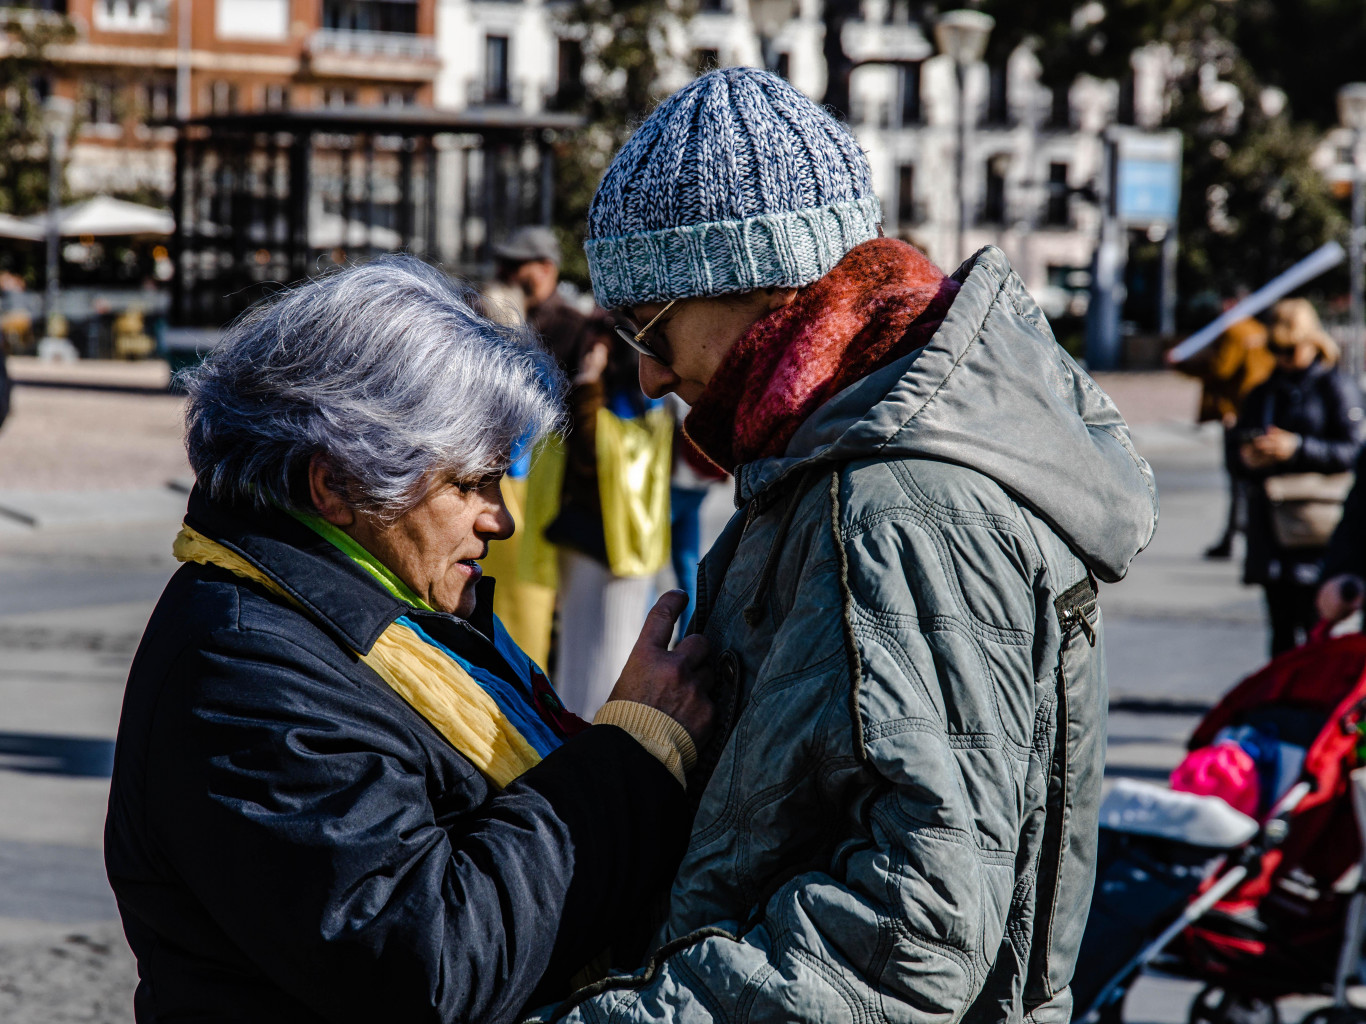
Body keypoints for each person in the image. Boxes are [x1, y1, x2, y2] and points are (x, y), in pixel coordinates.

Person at [536, 67, 1158, 1024]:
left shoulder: (902, 501)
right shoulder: (833, 456)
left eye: (648, 324)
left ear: (768, 287)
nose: (650, 373)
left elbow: (915, 923)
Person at [103, 257, 714, 1024]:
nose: (501, 519)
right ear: (338, 485)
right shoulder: (238, 672)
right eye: (471, 484)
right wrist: (632, 758)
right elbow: (426, 961)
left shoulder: (387, 609)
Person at [1236, 298, 1363, 655]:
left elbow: (1355, 452)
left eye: (1289, 349)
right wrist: (1249, 456)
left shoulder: (1335, 387)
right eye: (1275, 349)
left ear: (1312, 341)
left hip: (1318, 530)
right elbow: (1235, 454)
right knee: (1279, 632)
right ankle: (1283, 706)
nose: (1283, 358)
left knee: (1320, 632)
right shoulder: (1263, 392)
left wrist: (1298, 448)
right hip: (1272, 529)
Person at [1170, 307, 1273, 558]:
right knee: (1249, 479)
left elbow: (1221, 368)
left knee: (1238, 479)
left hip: (1235, 414)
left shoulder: (1234, 331)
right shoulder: (1258, 330)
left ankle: (1236, 538)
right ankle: (1240, 536)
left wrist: (1182, 364)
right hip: (1256, 412)